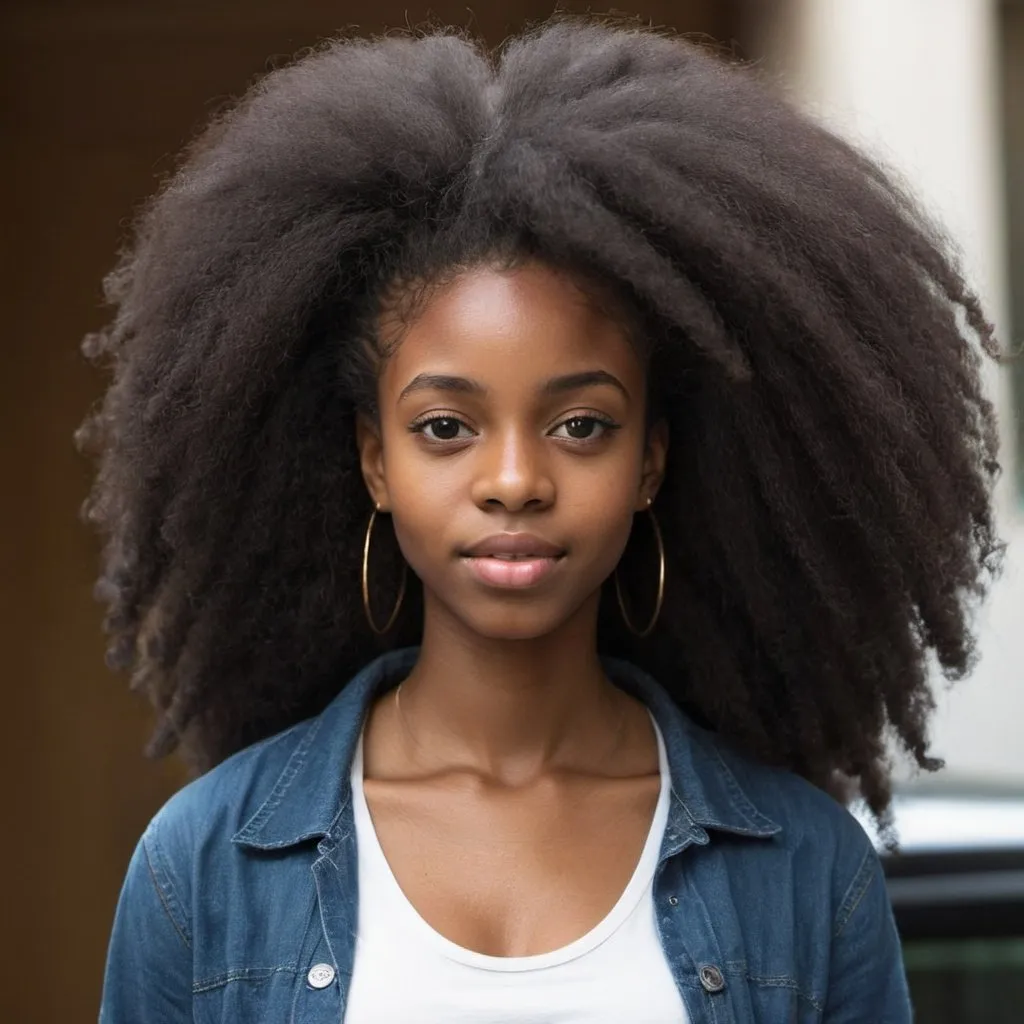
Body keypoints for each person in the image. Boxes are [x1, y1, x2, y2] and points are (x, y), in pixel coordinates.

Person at [82, 15, 1003, 1024]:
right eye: (445, 426)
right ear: (370, 459)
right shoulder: (204, 869)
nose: (514, 478)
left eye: (578, 424)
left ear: (650, 458)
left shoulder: (805, 874)